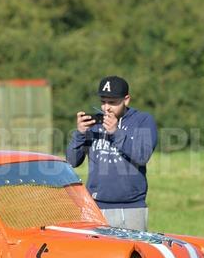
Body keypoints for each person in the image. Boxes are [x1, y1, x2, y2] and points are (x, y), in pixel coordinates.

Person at [66, 76, 157, 231]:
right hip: (96, 206)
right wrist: (80, 134)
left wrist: (115, 132)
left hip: (132, 207)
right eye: (103, 101)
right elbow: (72, 161)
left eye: (112, 102)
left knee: (134, 254)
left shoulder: (142, 120)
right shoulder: (94, 124)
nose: (106, 108)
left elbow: (142, 155)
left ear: (126, 100)